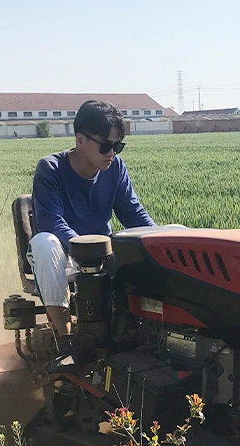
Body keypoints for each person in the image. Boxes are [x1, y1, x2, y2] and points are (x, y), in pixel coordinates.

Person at [28, 100, 155, 366]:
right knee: (44, 242)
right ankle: (66, 342)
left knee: (168, 236)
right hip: (64, 257)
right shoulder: (50, 169)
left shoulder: (116, 169)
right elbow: (52, 223)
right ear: (80, 140)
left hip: (102, 254)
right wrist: (89, 251)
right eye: (106, 146)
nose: (112, 154)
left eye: (118, 147)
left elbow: (135, 215)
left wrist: (163, 241)